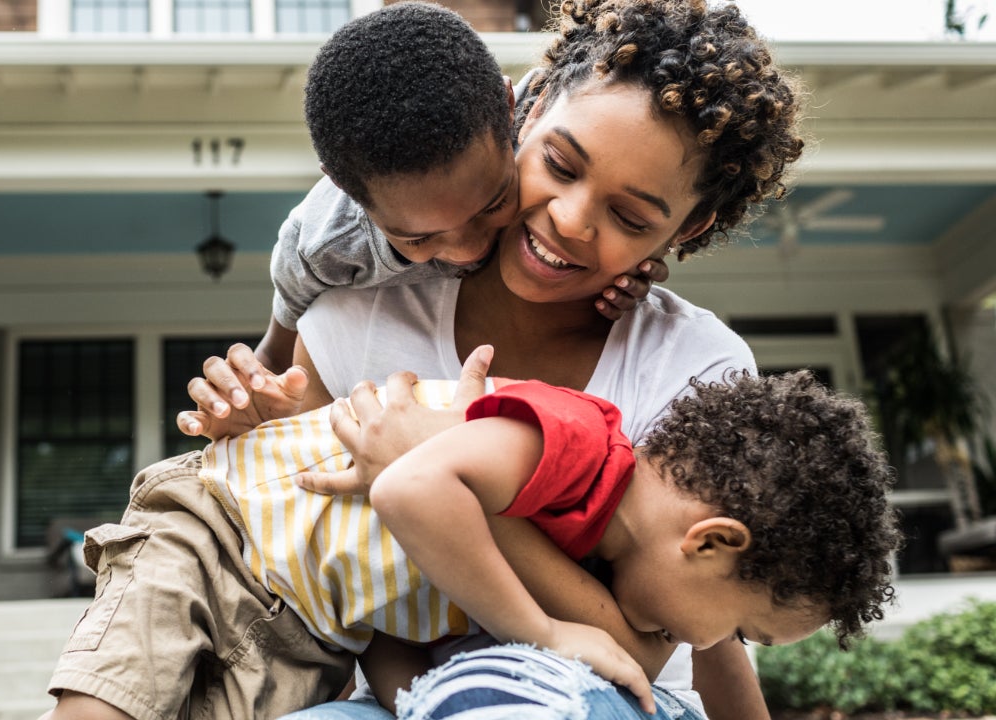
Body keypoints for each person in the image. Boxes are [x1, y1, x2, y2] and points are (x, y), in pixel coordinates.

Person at [182, 1, 811, 718]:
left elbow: (649, 642)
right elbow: (329, 572)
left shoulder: (694, 366)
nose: (570, 221)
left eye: (632, 218)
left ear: (686, 227)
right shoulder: (355, 314)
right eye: (560, 164)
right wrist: (256, 424)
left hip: (603, 697)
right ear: (527, 110)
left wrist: (432, 469)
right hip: (395, 693)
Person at [48, 365, 899, 720]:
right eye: (740, 631)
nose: (713, 648)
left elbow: (398, 623)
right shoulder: (576, 443)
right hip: (222, 529)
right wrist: (550, 633)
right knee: (113, 697)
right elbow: (409, 485)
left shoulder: (560, 563)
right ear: (711, 541)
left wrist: (411, 698)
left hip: (304, 630)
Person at [253, 1, 665, 375]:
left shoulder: (556, 120)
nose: (469, 251)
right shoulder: (323, 248)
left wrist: (632, 260)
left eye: (493, 204)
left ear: (512, 111)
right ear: (345, 188)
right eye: (419, 238)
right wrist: (244, 399)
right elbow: (273, 364)